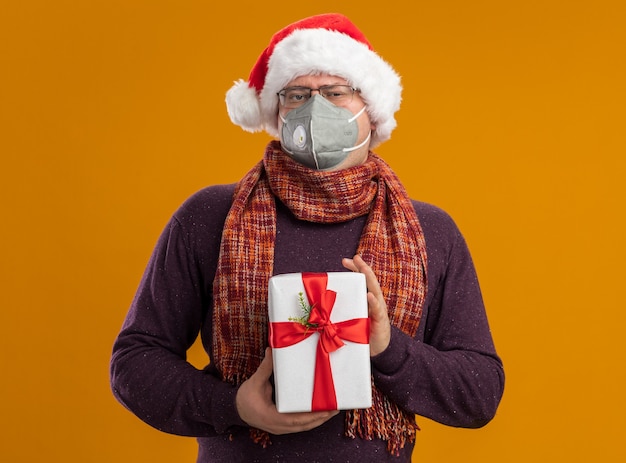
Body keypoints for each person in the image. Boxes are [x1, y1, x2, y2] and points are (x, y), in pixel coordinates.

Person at [110, 13, 505, 462]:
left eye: (336, 92)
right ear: (276, 113)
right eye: (297, 95)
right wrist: (235, 406)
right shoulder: (211, 216)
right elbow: (134, 363)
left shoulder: (430, 231)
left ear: (371, 113)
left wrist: (387, 346)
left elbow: (480, 393)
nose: (314, 107)